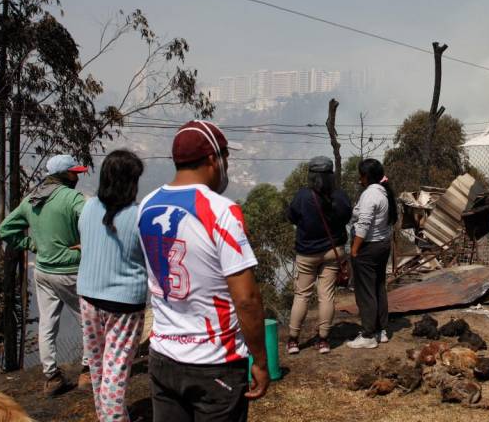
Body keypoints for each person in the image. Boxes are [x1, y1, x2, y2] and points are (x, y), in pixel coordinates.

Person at [138, 120, 269, 421]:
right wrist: (260, 362)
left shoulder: (147, 205)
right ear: (213, 159)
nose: (227, 166)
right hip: (215, 364)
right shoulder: (221, 212)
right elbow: (247, 299)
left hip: (162, 358)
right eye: (226, 157)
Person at [0, 154, 89, 395]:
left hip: (43, 270)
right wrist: (85, 246)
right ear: (64, 174)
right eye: (74, 172)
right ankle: (88, 371)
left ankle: (51, 377)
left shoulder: (33, 199)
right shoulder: (73, 198)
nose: (77, 176)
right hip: (70, 271)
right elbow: (94, 223)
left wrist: (33, 245)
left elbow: (6, 229)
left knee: (47, 324)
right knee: (88, 321)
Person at [77, 150, 147, 421]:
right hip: (125, 303)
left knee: (98, 367)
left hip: (88, 296)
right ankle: (114, 417)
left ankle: (105, 415)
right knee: (116, 371)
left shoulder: (89, 207)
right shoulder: (138, 215)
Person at [286, 156, 352, 355]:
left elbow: (292, 217)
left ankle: (293, 341)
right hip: (333, 252)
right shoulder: (340, 197)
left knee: (302, 295)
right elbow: (346, 218)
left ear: (311, 176)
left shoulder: (302, 196)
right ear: (331, 175)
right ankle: (323, 341)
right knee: (327, 296)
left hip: (307, 253)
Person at [346, 158, 397, 350]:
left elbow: (364, 224)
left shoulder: (369, 195)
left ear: (366, 176)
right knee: (378, 287)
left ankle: (368, 334)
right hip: (382, 245)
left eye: (361, 175)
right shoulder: (384, 192)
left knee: (366, 291)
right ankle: (381, 329)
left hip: (368, 247)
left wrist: (354, 249)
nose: (359, 179)